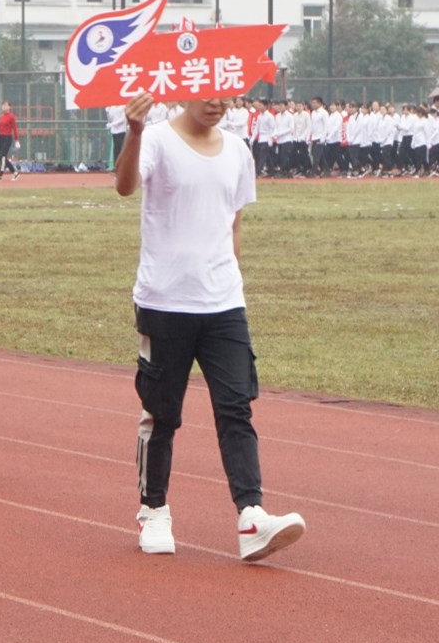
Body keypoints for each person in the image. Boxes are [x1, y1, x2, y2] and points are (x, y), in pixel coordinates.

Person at [114, 89, 305, 562]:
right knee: (162, 413)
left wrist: (232, 278)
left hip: (223, 303)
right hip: (164, 301)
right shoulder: (156, 139)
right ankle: (153, 509)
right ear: (184, 91)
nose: (218, 102)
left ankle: (252, 516)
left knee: (236, 407)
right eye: (208, 93)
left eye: (228, 94)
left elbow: (233, 221)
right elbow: (124, 186)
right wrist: (134, 131)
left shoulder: (238, 149)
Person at [0, 101, 20, 179]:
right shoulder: (1, 116)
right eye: (3, 105)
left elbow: (14, 128)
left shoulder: (11, 116)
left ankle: (0, 174)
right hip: (1, 137)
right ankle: (14, 172)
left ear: (9, 107)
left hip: (7, 138)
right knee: (2, 156)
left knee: (3, 156)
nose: (3, 107)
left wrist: (16, 140)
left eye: (5, 105)